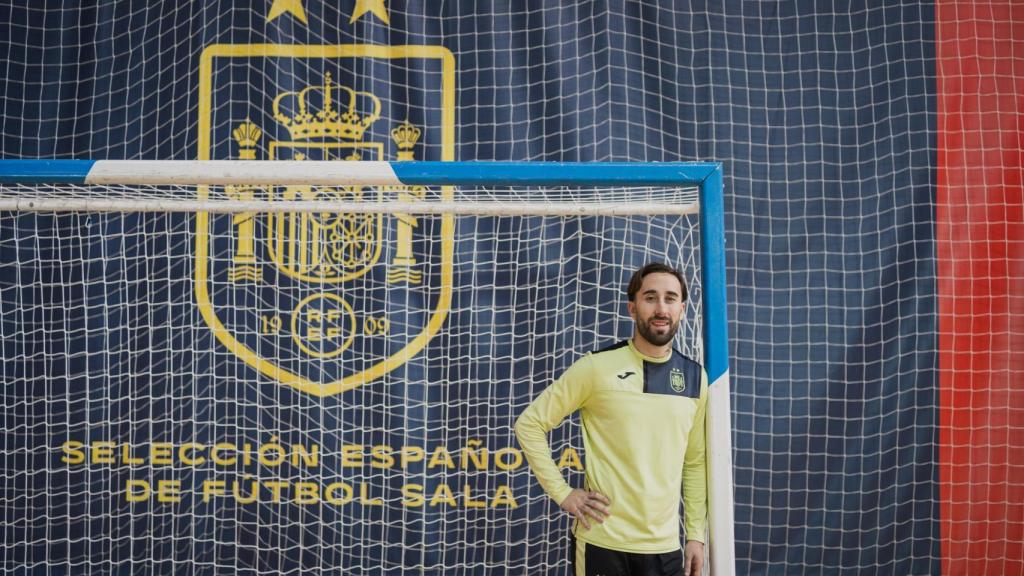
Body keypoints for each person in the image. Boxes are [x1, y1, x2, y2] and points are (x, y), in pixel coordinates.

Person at [515, 262, 708, 576]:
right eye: (650, 297)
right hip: (602, 542)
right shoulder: (596, 368)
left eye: (670, 298)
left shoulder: (695, 378)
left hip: (665, 549)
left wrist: (696, 535)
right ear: (632, 308)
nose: (661, 308)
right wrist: (563, 493)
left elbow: (695, 461)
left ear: (682, 309)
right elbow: (529, 424)